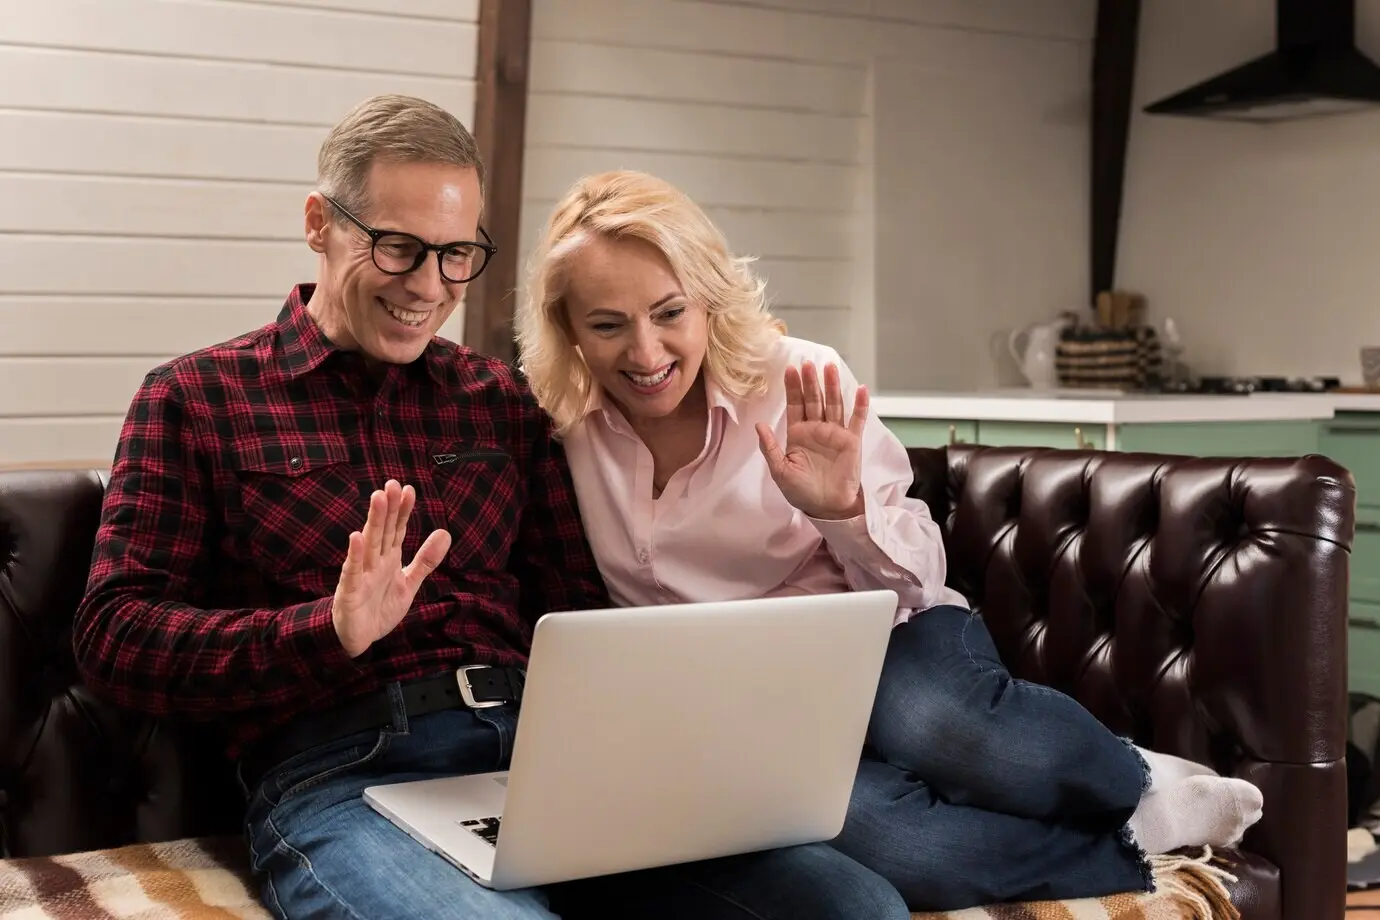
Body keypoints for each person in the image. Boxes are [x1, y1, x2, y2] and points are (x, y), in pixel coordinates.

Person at [70, 96, 912, 920]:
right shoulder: (196, 398)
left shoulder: (501, 401)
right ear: (320, 224)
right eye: (399, 248)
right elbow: (114, 634)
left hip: (548, 761)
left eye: (455, 254)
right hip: (346, 775)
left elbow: (580, 610)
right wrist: (325, 631)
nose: (428, 286)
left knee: (857, 906)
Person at [513, 168, 1268, 911]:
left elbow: (916, 580)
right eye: (607, 325)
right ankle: (1133, 834)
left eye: (669, 312)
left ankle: (1135, 779)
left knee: (949, 729)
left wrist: (840, 509)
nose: (646, 354)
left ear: (708, 297)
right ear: (568, 330)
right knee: (897, 845)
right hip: (739, 710)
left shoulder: (799, 380)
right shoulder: (562, 426)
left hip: (884, 636)